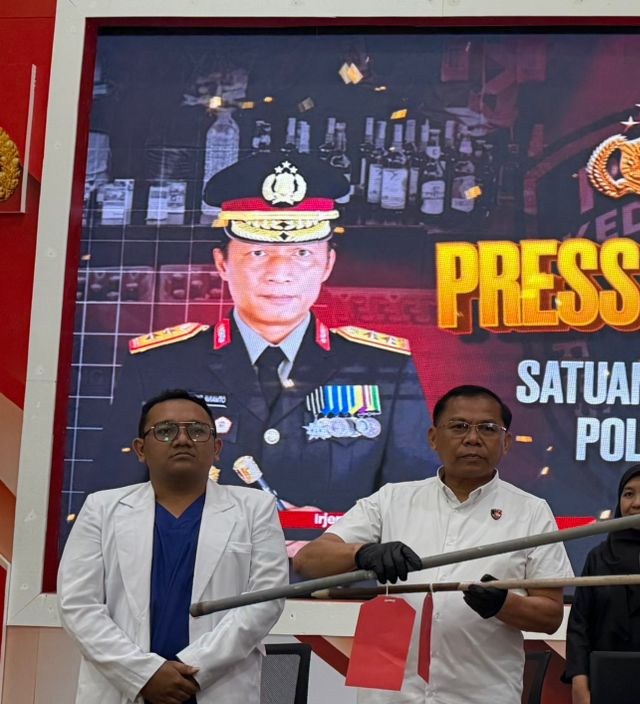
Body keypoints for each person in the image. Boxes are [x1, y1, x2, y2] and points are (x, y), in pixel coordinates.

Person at [93, 152, 434, 525]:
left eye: (301, 253)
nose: (280, 273)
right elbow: (115, 507)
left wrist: (343, 539)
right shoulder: (159, 366)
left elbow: (415, 509)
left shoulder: (385, 367)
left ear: (328, 264)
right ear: (222, 264)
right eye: (258, 252)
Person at [293, 384, 571, 704]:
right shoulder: (391, 500)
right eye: (459, 427)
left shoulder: (532, 512)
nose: (472, 438)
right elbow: (308, 561)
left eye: (487, 428)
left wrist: (503, 605)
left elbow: (551, 615)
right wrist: (363, 553)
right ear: (433, 437)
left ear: (506, 443)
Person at [58, 389, 288, 704]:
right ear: (140, 449)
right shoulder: (102, 509)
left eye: (197, 431)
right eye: (165, 431)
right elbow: (78, 606)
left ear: (216, 448)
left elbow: (264, 602)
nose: (182, 439)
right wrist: (144, 674)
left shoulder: (255, 508)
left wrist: (193, 668)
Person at [563, 462, 640, 704]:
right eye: (628, 494)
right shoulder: (599, 558)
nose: (637, 503)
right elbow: (579, 628)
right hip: (607, 689)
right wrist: (580, 690)